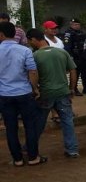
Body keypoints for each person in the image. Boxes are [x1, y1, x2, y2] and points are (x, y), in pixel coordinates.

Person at [27, 28, 80, 158]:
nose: (29, 43)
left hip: (46, 93)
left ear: (34, 39)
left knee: (39, 122)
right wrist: (72, 88)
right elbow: (73, 70)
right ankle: (72, 149)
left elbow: (34, 74)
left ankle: (30, 148)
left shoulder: (35, 56)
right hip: (63, 92)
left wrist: (35, 90)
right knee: (67, 121)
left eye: (29, 41)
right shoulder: (62, 52)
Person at [0, 21, 46, 166]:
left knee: (11, 128)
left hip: (4, 95)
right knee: (30, 126)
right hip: (24, 93)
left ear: (1, 35)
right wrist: (35, 89)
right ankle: (33, 157)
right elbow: (32, 71)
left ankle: (18, 159)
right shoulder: (25, 50)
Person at [63, 18, 86, 95]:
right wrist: (70, 57)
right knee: (76, 72)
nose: (77, 26)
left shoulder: (81, 32)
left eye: (78, 24)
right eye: (75, 24)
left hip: (83, 55)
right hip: (75, 56)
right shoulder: (68, 34)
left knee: (85, 72)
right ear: (71, 24)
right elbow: (67, 47)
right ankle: (74, 88)